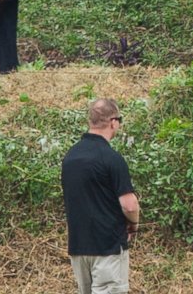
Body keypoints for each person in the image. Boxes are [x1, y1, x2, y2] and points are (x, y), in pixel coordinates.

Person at [59, 97, 137, 294]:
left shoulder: (70, 157)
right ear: (113, 122)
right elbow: (129, 205)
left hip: (78, 247)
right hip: (107, 246)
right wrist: (133, 223)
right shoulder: (112, 158)